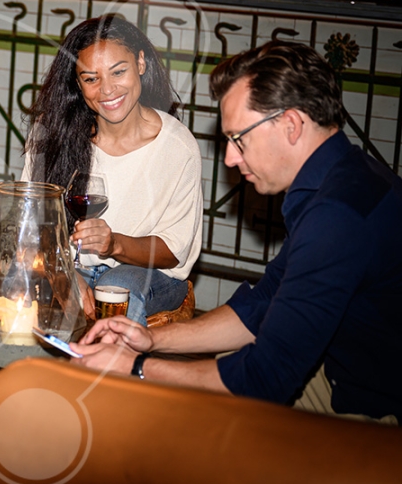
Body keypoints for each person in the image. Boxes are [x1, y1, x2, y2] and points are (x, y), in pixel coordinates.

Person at [73, 41, 402, 423]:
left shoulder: (337, 218)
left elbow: (265, 376)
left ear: (291, 125)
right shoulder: (343, 179)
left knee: (183, 423)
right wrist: (152, 340)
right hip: (341, 375)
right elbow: (261, 303)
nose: (230, 158)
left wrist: (136, 366)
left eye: (238, 139)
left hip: (376, 411)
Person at [23, 15, 202, 325]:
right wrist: (62, 273)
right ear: (77, 84)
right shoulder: (52, 136)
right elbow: (27, 229)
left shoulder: (177, 147)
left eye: (118, 72)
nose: (107, 90)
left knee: (117, 287)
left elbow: (173, 252)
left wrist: (114, 243)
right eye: (91, 78)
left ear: (141, 64)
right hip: (69, 266)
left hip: (149, 275)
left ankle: (112, 371)